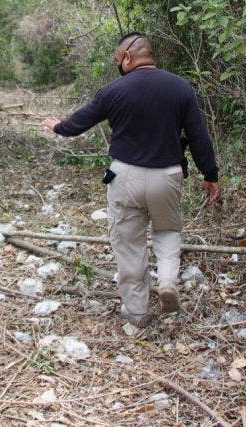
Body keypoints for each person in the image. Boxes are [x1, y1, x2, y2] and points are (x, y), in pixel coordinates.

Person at [42, 32, 220, 331]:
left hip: (124, 176)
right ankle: (166, 280)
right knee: (167, 230)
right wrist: (210, 174)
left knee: (128, 244)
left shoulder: (113, 91)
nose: (117, 65)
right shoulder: (181, 88)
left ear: (127, 57)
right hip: (167, 176)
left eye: (117, 60)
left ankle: (137, 314)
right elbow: (199, 137)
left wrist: (58, 126)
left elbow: (78, 123)